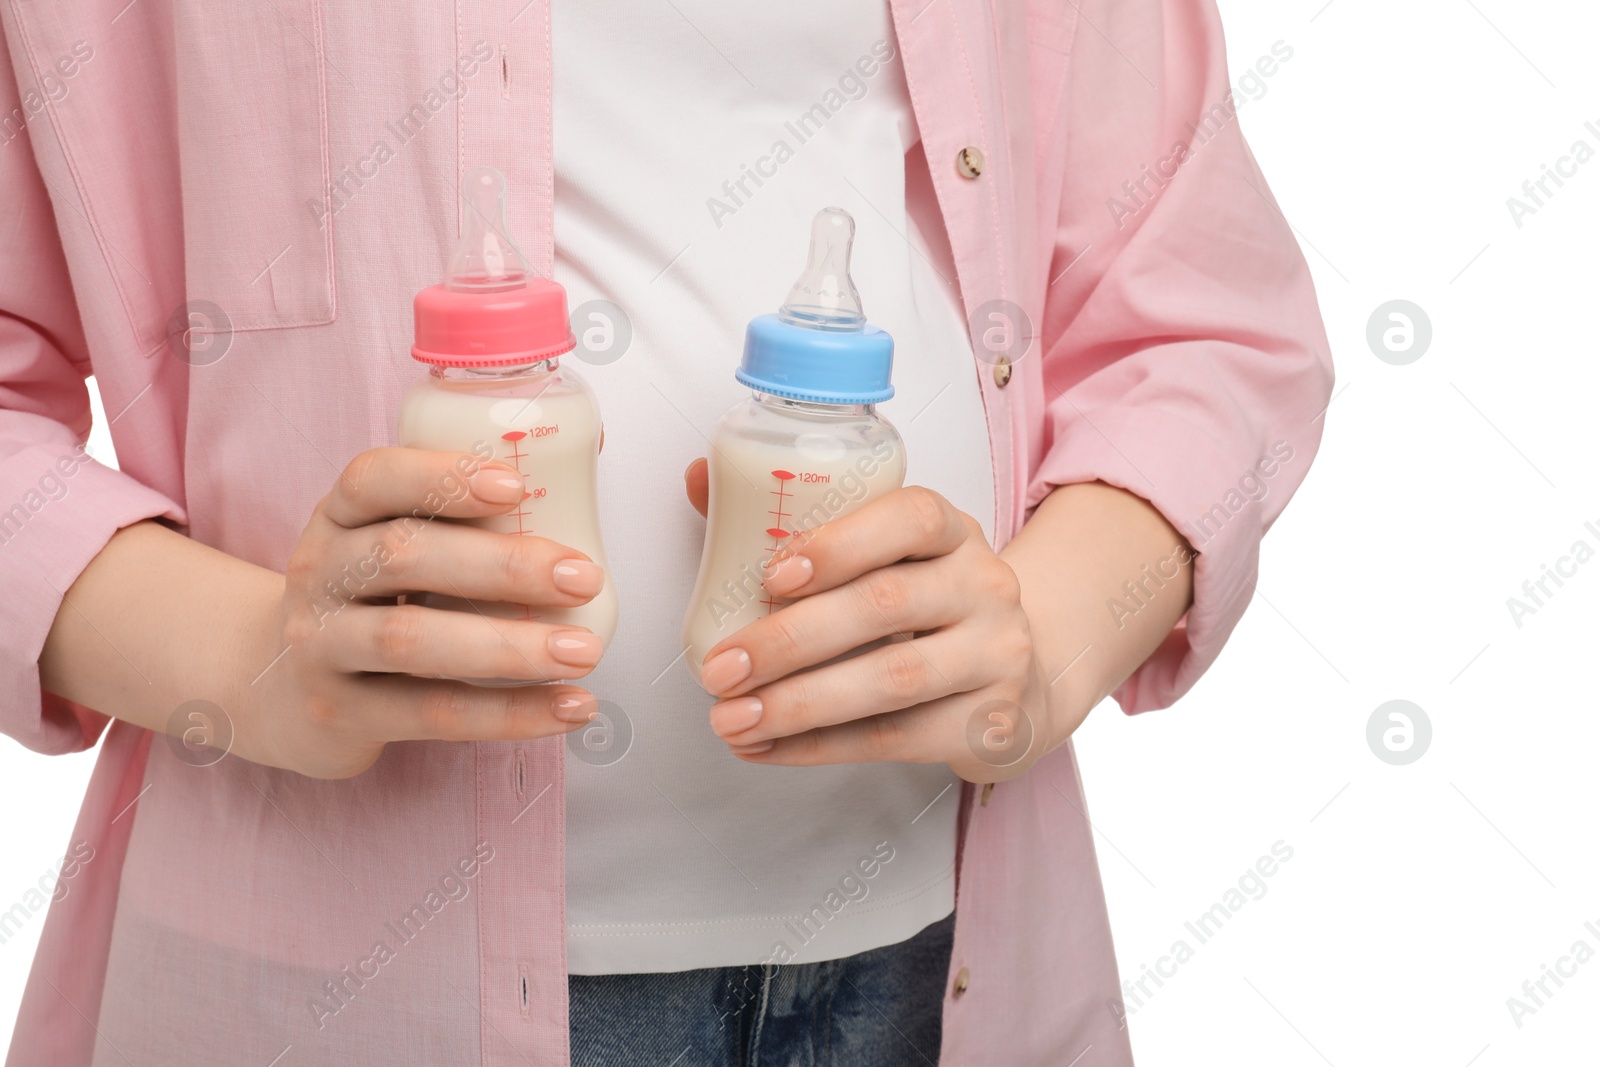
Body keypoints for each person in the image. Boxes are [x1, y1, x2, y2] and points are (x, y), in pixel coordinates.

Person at [0, 0, 1331, 1064]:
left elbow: (1200, 320)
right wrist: (248, 661)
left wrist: (1045, 638)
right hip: (340, 992)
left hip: (931, 960)